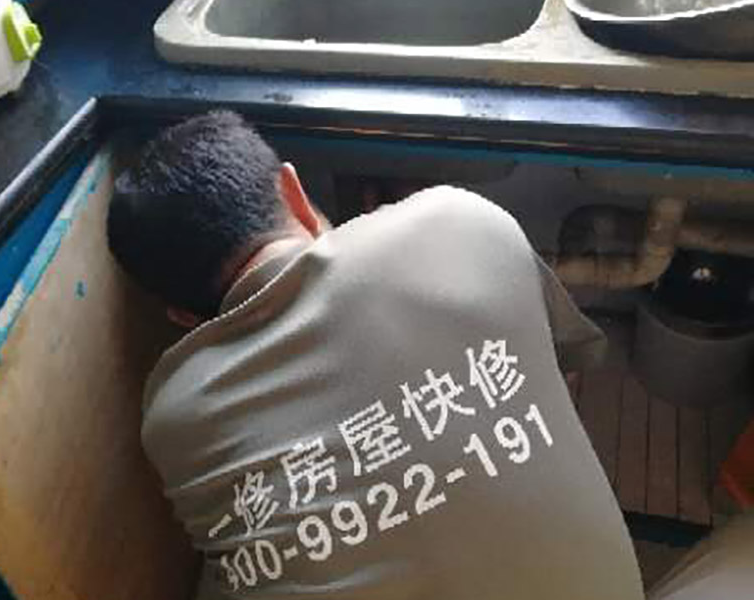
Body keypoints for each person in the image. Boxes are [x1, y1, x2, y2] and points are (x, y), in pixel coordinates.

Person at [106, 110, 749, 600]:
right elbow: (567, 364)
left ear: (182, 318)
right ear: (294, 194)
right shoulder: (459, 220)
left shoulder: (169, 416)